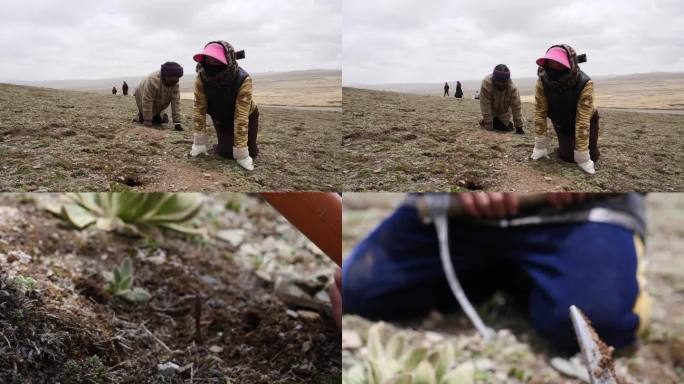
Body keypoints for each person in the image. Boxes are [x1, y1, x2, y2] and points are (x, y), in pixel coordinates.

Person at [343, 193, 652, 351]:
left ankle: (544, 275)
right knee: (359, 290)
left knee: (599, 325)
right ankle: (512, 273)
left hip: (579, 215)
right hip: (457, 212)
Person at [190, 41, 259, 172]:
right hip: (220, 117)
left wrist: (242, 153)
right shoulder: (201, 78)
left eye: (216, 62)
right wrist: (199, 142)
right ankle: (224, 144)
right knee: (226, 153)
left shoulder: (243, 79)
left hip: (247, 117)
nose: (211, 65)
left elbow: (241, 117)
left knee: (251, 153)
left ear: (227, 61)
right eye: (208, 60)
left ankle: (246, 147)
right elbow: (199, 109)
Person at [531, 44, 599, 175]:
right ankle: (565, 146)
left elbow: (583, 120)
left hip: (587, 120)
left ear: (569, 66)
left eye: (560, 65)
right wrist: (540, 146)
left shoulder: (585, 83)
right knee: (567, 157)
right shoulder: (542, 82)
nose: (555, 69)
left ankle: (584, 150)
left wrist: (583, 157)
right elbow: (540, 112)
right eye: (552, 65)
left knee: (593, 156)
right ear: (546, 64)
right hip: (561, 122)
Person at [133, 62, 184, 131]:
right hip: (141, 94)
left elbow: (176, 102)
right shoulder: (153, 80)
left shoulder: (175, 83)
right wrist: (147, 120)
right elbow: (147, 100)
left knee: (157, 121)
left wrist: (177, 123)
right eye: (172, 80)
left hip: (159, 100)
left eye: (176, 80)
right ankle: (141, 116)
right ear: (166, 76)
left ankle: (157, 115)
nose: (174, 83)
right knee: (145, 119)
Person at [479, 64, 525, 134]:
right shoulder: (486, 84)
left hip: (504, 113)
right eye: (499, 82)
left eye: (504, 82)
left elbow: (516, 108)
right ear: (494, 79)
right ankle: (484, 120)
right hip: (491, 112)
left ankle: (492, 121)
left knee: (508, 129)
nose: (501, 84)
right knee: (494, 125)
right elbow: (485, 105)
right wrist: (488, 126)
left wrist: (519, 128)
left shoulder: (512, 89)